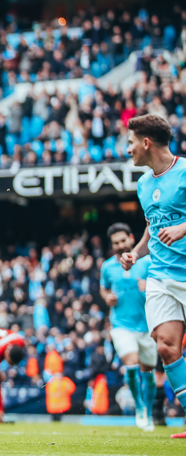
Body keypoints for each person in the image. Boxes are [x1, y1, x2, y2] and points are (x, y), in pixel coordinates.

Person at [119, 114, 186, 440]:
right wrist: (137, 251)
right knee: (166, 347)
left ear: (146, 143)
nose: (127, 148)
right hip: (160, 274)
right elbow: (153, 223)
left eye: (130, 142)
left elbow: (173, 225)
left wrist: (184, 227)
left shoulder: (185, 171)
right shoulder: (144, 184)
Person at [99, 222, 157, 431]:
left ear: (132, 239)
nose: (120, 245)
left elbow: (161, 286)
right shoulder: (107, 267)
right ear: (112, 246)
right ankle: (139, 406)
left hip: (147, 325)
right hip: (121, 325)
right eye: (116, 243)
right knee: (131, 364)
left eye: (123, 240)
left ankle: (147, 412)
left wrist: (149, 287)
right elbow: (104, 289)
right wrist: (108, 298)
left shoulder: (147, 262)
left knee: (148, 372)